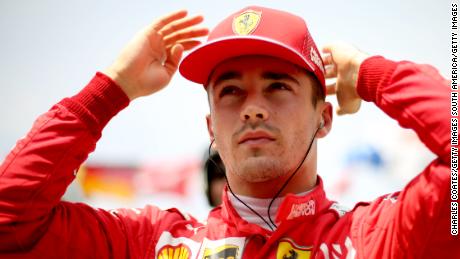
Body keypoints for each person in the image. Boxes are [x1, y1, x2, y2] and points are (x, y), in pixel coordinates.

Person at [0, 5, 455, 258]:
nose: (253, 109)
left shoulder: (381, 235)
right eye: (232, 91)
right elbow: (10, 223)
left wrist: (372, 74)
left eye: (278, 86)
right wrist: (109, 90)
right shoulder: (151, 244)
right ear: (211, 129)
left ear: (324, 118)